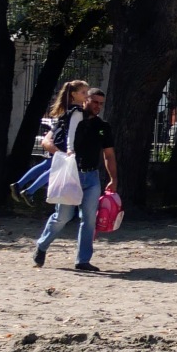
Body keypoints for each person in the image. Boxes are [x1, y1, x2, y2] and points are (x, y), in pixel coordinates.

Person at [34, 84, 115, 271]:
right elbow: (46, 141)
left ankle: (82, 260)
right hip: (71, 175)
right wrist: (62, 156)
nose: (97, 106)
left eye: (101, 103)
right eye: (94, 101)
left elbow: (109, 155)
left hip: (92, 176)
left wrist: (114, 178)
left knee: (89, 219)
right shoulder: (70, 118)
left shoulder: (103, 127)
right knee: (63, 216)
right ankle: (42, 245)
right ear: (85, 100)